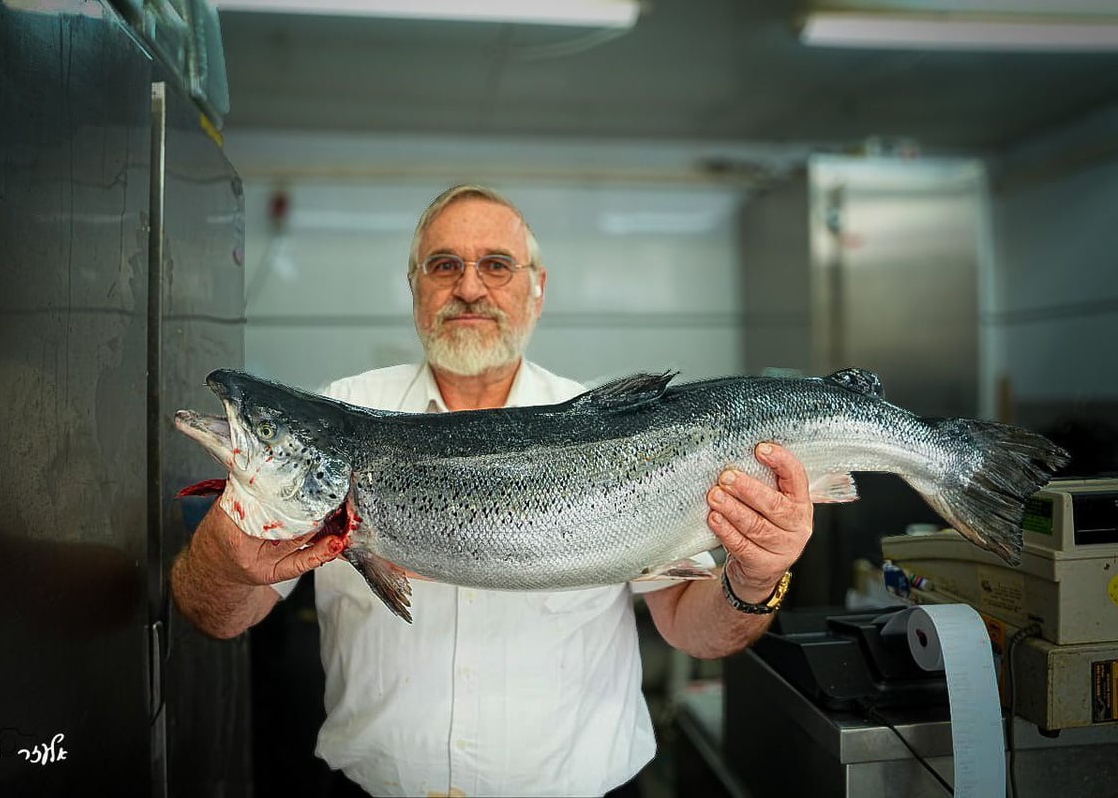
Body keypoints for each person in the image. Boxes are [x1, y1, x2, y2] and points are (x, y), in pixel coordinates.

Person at [170, 184, 814, 797]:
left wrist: (756, 580)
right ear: (414, 288)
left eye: (497, 265)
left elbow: (689, 628)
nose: (469, 287)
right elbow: (218, 616)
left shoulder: (619, 431)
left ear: (538, 290)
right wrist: (223, 560)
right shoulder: (333, 419)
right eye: (443, 265)